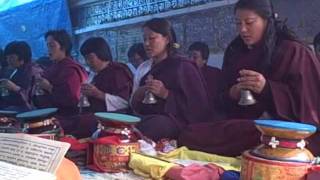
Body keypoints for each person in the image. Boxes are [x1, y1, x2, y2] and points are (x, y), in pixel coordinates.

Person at [179, 0, 320, 156]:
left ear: (267, 20)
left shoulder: (293, 51)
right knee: (190, 133)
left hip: (280, 128)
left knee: (262, 135)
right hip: (240, 123)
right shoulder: (235, 51)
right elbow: (220, 100)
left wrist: (267, 88)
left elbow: (309, 107)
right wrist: (232, 94)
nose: (243, 30)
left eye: (249, 23)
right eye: (238, 24)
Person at [131, 18, 212, 142]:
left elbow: (199, 107)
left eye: (151, 38)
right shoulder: (147, 69)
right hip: (148, 118)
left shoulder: (183, 66)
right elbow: (139, 107)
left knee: (154, 126)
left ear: (167, 39)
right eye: (145, 39)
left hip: (177, 123)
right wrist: (139, 94)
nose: (146, 44)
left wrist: (166, 94)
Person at [65, 37, 133, 138]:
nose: (88, 62)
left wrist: (99, 94)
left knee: (84, 122)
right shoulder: (93, 75)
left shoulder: (118, 72)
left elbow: (124, 103)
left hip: (111, 118)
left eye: (91, 58)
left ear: (101, 53)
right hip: (92, 114)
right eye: (86, 58)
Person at [34, 30, 88, 116]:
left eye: (52, 46)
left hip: (67, 118)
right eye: (47, 46)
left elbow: (72, 99)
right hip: (49, 114)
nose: (49, 50)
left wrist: (49, 87)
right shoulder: (53, 67)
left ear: (63, 47)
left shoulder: (71, 70)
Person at [0, 41, 35, 111]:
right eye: (7, 58)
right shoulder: (17, 71)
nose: (8, 60)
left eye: (11, 57)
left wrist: (15, 88)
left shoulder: (33, 73)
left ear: (22, 58)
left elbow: (31, 99)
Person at [188, 42, 222, 112]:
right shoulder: (182, 74)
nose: (190, 60)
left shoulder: (215, 74)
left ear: (204, 60)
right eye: (188, 56)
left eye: (195, 57)